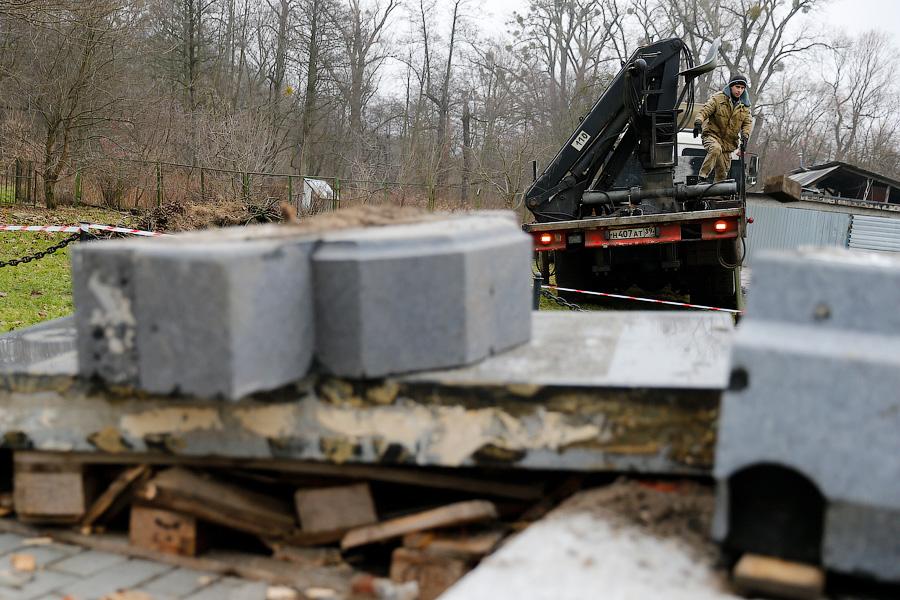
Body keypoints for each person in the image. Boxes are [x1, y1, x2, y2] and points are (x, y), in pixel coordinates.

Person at [693, 74, 753, 183]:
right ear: (731, 86)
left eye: (742, 88)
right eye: (737, 87)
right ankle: (702, 177)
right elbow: (705, 110)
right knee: (715, 149)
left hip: (728, 144)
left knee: (722, 173)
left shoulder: (745, 106)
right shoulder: (718, 98)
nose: (739, 90)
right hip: (712, 135)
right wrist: (698, 122)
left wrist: (745, 137)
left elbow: (747, 123)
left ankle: (717, 197)